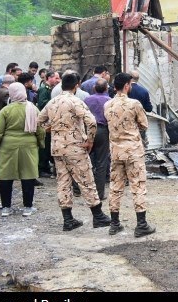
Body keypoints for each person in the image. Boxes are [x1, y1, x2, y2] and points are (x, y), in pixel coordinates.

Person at [37, 72, 111, 231]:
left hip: (57, 148)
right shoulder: (75, 101)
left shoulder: (53, 102)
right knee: (86, 180)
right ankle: (98, 216)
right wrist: (89, 140)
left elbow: (39, 120)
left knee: (63, 182)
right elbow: (91, 121)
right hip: (75, 147)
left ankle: (68, 219)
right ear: (77, 85)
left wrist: (50, 130)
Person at [105, 72, 155, 237]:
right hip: (133, 150)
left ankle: (114, 223)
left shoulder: (108, 105)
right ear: (127, 85)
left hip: (116, 151)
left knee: (115, 186)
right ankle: (141, 224)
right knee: (138, 186)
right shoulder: (134, 104)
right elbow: (144, 125)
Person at [0, 83, 45, 217]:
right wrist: (40, 143)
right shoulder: (33, 108)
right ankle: (27, 207)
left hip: (8, 146)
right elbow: (40, 130)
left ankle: (6, 208)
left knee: (6, 175)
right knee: (28, 175)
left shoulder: (6, 110)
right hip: (29, 145)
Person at [85, 79, 112, 201]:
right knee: (102, 162)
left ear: (94, 88)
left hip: (87, 131)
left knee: (83, 160)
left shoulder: (87, 100)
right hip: (102, 130)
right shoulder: (109, 101)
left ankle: (81, 189)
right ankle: (99, 193)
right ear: (106, 88)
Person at [37, 70, 60, 178]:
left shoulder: (50, 89)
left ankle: (45, 167)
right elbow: (42, 103)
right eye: (56, 78)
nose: (57, 80)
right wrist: (53, 104)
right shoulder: (43, 89)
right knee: (44, 146)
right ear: (49, 78)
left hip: (49, 120)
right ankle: (42, 168)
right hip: (45, 121)